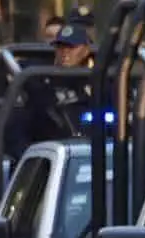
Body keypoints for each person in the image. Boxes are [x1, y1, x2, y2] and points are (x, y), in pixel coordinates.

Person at [6, 24, 95, 155]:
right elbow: (17, 131)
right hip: (52, 156)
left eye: (71, 47)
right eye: (60, 47)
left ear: (85, 50)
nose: (65, 52)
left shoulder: (98, 80)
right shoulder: (40, 81)